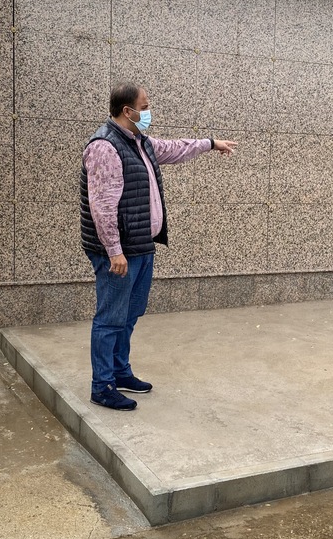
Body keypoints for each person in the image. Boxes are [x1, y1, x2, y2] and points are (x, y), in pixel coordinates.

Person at [80, 82, 237, 411]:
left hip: (141, 246)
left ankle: (120, 372)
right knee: (110, 318)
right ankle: (102, 384)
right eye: (145, 106)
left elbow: (175, 148)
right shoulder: (105, 146)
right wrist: (114, 251)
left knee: (130, 314)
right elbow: (102, 206)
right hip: (119, 252)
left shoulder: (139, 142)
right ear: (128, 111)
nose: (148, 112)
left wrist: (210, 144)